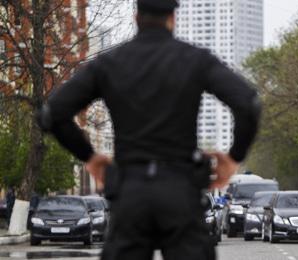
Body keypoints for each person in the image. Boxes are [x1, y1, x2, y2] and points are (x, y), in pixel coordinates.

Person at [37, 0, 261, 259]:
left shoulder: (108, 64)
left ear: (136, 18)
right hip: (181, 190)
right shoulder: (195, 59)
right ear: (172, 18)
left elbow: (52, 114)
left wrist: (89, 156)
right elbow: (249, 104)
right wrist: (233, 157)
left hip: (130, 192)